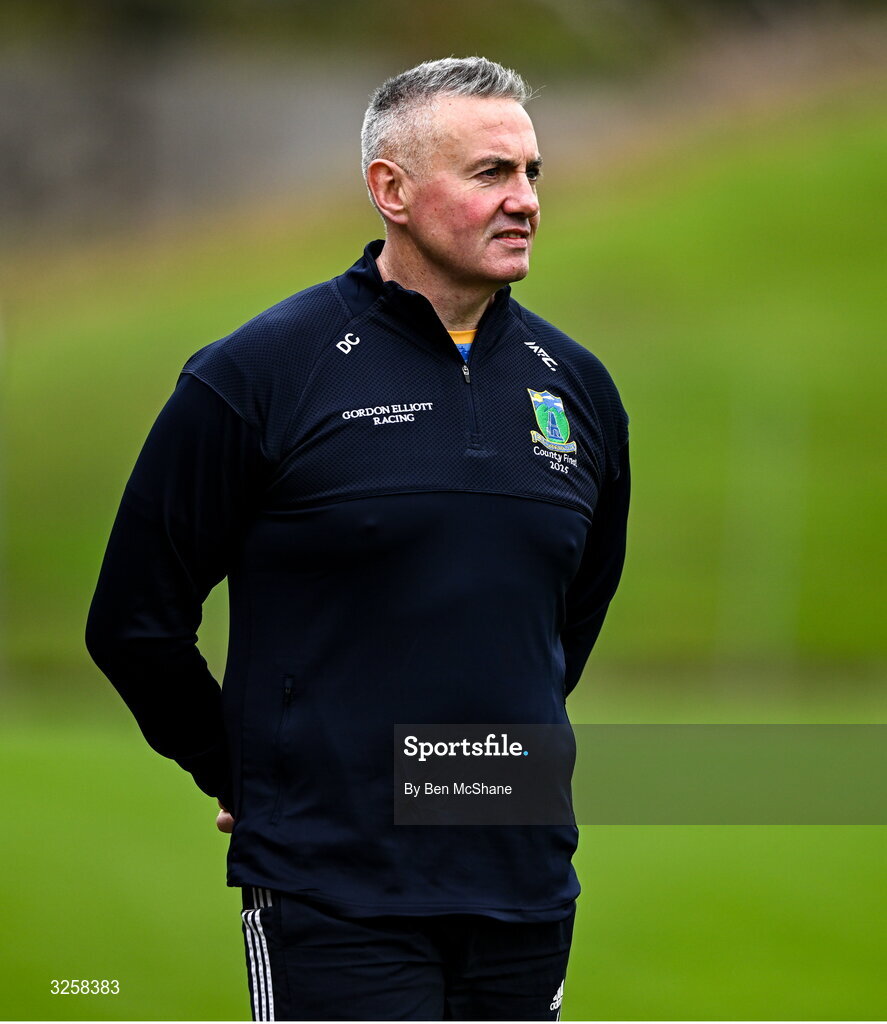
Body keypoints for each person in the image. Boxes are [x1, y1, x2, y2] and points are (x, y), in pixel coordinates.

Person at [86, 56, 630, 1022]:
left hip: (527, 886)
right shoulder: (259, 373)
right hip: (331, 893)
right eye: (489, 174)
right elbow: (135, 621)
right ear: (390, 190)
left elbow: (561, 628)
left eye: (531, 173)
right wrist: (244, 770)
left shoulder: (577, 389)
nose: (524, 201)